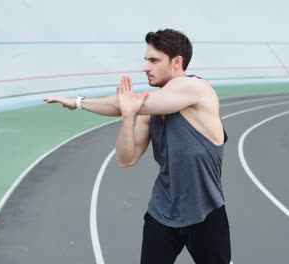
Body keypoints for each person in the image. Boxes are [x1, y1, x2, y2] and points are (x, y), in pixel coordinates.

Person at [43, 28, 231, 264]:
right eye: (145, 60)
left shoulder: (196, 88)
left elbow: (132, 102)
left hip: (205, 213)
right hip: (162, 212)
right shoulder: (150, 110)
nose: (145, 67)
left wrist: (78, 102)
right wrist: (126, 117)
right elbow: (126, 159)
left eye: (154, 60)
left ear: (177, 62)